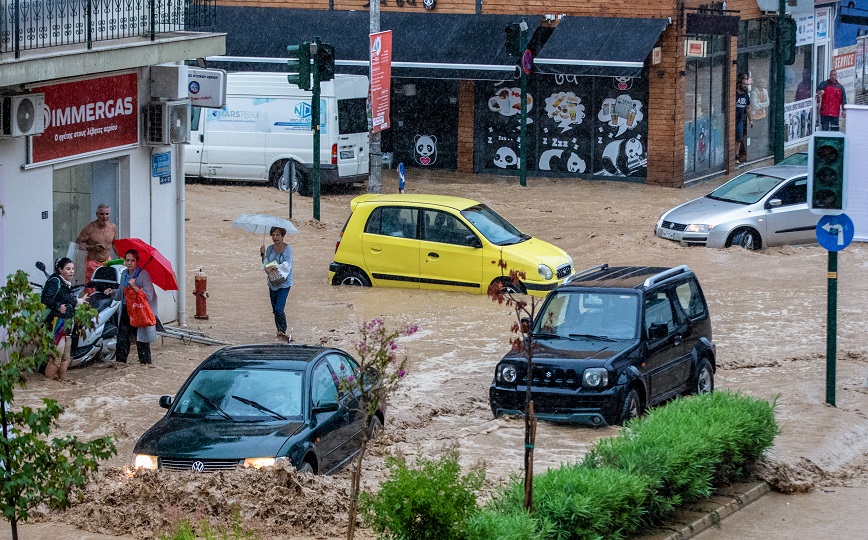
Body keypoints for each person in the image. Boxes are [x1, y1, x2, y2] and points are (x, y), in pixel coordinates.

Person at [104, 249, 157, 364]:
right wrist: (112, 291)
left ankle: (145, 365)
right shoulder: (123, 274)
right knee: (122, 340)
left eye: (132, 260)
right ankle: (120, 364)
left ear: (137, 261)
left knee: (142, 341)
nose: (129, 263)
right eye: (127, 260)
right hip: (126, 311)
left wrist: (135, 287)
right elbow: (120, 294)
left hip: (140, 312)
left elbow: (149, 296)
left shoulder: (144, 275)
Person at [41, 257, 90, 381]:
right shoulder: (55, 281)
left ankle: (63, 383)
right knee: (56, 356)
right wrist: (57, 306)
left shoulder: (65, 283)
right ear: (60, 269)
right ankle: (47, 386)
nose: (71, 271)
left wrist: (79, 302)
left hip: (67, 322)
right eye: (68, 269)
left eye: (73, 269)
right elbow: (45, 298)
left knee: (65, 356)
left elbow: (66, 299)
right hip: (58, 322)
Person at [260, 226, 293, 341]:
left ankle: (282, 330)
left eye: (278, 235)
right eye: (273, 235)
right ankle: (279, 331)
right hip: (272, 283)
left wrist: (275, 266)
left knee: (279, 308)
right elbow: (265, 265)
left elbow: (288, 265)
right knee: (274, 309)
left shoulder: (288, 249)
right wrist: (263, 254)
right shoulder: (269, 249)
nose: (275, 237)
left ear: (283, 236)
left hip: (284, 283)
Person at [75, 204, 117, 283]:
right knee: (91, 289)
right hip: (93, 262)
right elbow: (78, 243)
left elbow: (115, 244)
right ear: (97, 214)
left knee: (107, 288)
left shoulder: (113, 227)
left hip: (107, 262)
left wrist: (121, 258)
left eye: (107, 214)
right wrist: (92, 247)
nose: (104, 217)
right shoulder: (89, 228)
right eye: (101, 214)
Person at [735, 74, 752, 163]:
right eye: (744, 84)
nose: (745, 86)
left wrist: (751, 120)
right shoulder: (734, 94)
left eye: (747, 85)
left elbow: (748, 108)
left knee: (739, 138)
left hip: (740, 120)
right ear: (739, 84)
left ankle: (736, 156)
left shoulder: (746, 96)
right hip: (733, 119)